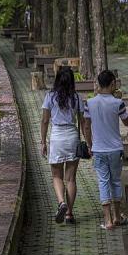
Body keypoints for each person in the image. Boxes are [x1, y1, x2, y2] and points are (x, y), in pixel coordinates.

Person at [81, 70, 128, 230]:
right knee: (116, 181)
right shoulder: (118, 103)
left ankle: (108, 220)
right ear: (112, 84)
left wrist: (90, 145)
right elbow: (127, 122)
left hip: (99, 149)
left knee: (103, 182)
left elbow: (87, 126)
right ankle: (117, 217)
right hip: (116, 149)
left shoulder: (90, 103)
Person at [41, 66, 86, 224]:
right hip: (72, 136)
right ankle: (69, 214)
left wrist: (42, 142)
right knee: (71, 179)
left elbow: (45, 121)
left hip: (57, 137)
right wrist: (89, 142)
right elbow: (83, 122)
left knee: (56, 176)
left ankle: (61, 203)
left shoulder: (50, 96)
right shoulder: (77, 97)